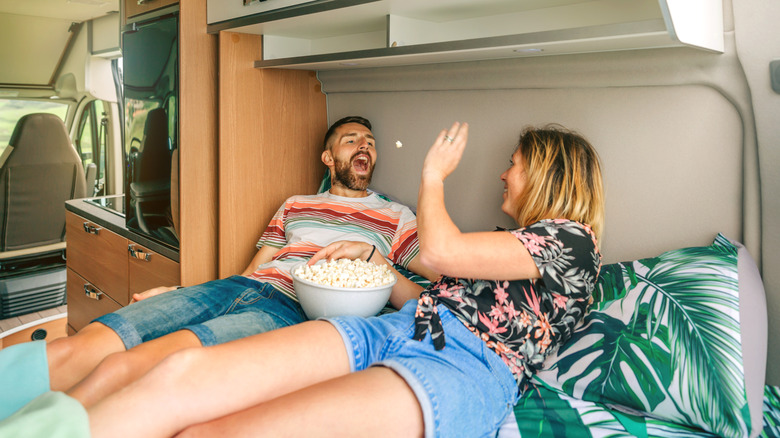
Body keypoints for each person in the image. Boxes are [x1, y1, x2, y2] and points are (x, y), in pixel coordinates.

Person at [2, 121, 605, 438]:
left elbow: (441, 251)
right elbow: (432, 292)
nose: (503, 174)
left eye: (515, 164)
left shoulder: (574, 243)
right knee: (177, 377)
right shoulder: (295, 203)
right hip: (398, 325)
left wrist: (432, 174)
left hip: (463, 365)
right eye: (352, 140)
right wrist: (377, 266)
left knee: (215, 433)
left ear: (549, 174)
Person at [0, 115, 438, 418]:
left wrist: (374, 254)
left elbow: (439, 281)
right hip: (239, 289)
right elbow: (251, 272)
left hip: (290, 314)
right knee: (81, 346)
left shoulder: (395, 217)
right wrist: (182, 292)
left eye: (371, 143)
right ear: (329, 158)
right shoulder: (295, 205)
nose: (365, 146)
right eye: (352, 140)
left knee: (124, 369)